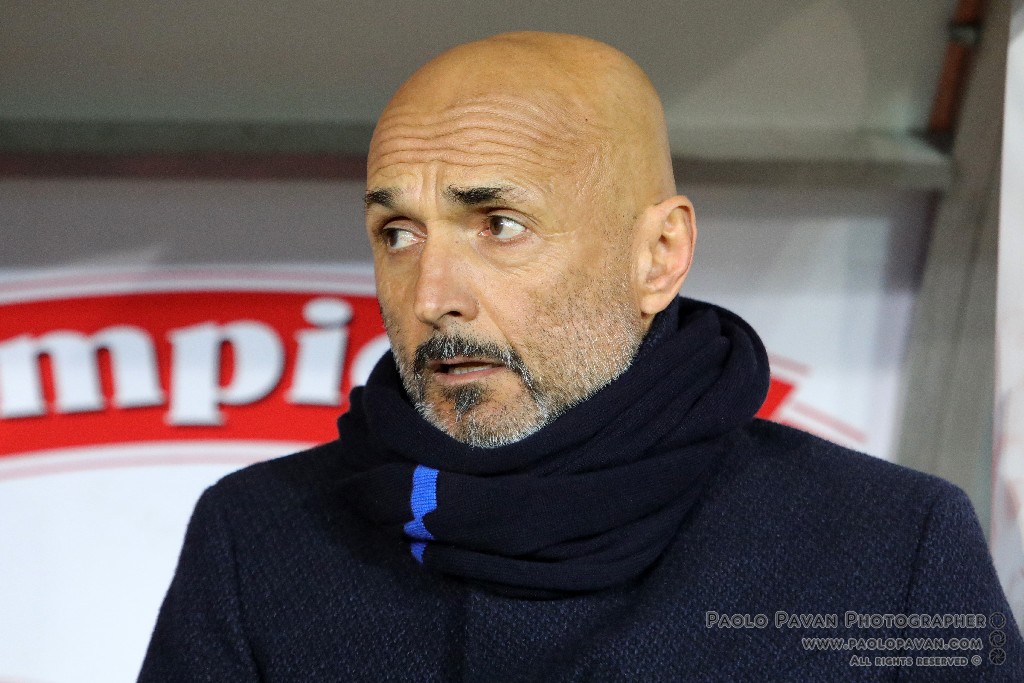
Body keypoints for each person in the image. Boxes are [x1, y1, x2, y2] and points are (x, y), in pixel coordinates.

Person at [139, 32, 1022, 681]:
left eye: (499, 224)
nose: (432, 294)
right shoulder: (258, 540)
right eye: (398, 232)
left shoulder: (890, 549)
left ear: (659, 256)